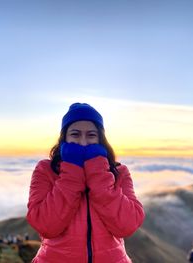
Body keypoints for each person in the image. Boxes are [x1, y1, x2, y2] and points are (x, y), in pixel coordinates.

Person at [26, 103, 145, 263]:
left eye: (91, 135)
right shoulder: (46, 170)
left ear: (100, 139)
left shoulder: (119, 172)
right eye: (75, 134)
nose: (83, 142)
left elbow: (127, 225)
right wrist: (72, 171)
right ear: (64, 137)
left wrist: (98, 172)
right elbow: (46, 225)